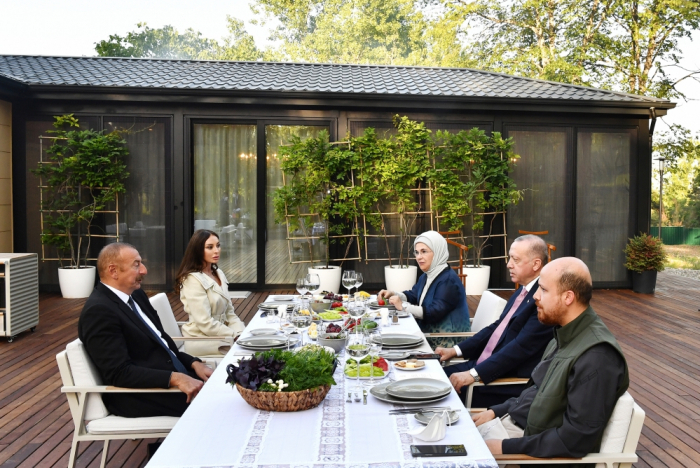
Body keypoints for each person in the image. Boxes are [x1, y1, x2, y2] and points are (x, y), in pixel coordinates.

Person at [472, 257, 629, 462]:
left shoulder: (597, 356)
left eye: (544, 290)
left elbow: (574, 440)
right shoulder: (564, 333)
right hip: (516, 430)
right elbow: (538, 392)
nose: (535, 296)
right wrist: (496, 411)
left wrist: (504, 447)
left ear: (568, 297)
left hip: (530, 454)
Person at [79, 243, 213, 418]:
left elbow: (162, 342)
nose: (144, 270)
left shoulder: (136, 296)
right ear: (113, 271)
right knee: (224, 406)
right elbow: (119, 373)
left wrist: (194, 363)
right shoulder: (98, 311)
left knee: (235, 387)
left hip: (172, 378)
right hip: (142, 395)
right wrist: (177, 378)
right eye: (136, 264)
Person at [435, 235, 554, 407]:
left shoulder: (540, 301)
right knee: (431, 377)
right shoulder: (523, 291)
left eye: (515, 259)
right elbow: (497, 328)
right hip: (483, 366)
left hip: (502, 382)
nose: (508, 264)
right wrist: (455, 350)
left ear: (536, 264)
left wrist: (474, 374)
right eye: (509, 258)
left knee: (434, 392)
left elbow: (519, 349)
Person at [378, 230, 470, 348]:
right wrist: (393, 294)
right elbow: (414, 295)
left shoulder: (448, 281)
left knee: (387, 345)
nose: (419, 257)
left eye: (424, 252)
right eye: (416, 252)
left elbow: (434, 312)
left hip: (444, 344)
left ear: (437, 252)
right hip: (425, 335)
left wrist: (403, 307)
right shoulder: (429, 274)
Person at [174, 229, 245, 356]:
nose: (216, 250)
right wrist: (233, 336)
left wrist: (241, 332)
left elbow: (229, 312)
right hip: (201, 339)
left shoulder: (219, 273)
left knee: (253, 344)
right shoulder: (191, 280)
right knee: (247, 351)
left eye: (218, 245)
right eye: (209, 247)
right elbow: (205, 323)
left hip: (222, 335)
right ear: (198, 250)